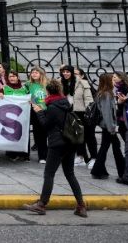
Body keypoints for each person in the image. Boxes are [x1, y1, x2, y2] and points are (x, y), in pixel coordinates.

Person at [24, 79, 87, 217]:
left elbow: (45, 125)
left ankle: (41, 204)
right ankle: (81, 205)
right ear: (59, 91)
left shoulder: (52, 107)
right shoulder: (65, 103)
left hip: (57, 144)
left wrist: (39, 112)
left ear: (48, 91)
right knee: (70, 174)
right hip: (70, 143)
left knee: (49, 174)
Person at [91, 73, 124, 180]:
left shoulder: (103, 93)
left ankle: (99, 170)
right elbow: (107, 113)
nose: (114, 81)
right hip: (108, 126)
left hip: (106, 126)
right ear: (108, 82)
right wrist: (111, 128)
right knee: (114, 148)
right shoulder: (106, 94)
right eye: (112, 79)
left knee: (108, 147)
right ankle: (123, 172)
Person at [63, 65, 95, 166]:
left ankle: (94, 157)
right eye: (64, 72)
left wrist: (89, 113)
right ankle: (81, 156)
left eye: (68, 72)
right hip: (71, 112)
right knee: (77, 136)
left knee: (89, 136)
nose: (65, 74)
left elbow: (89, 99)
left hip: (83, 113)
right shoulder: (62, 83)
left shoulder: (82, 83)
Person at [0, 71, 30, 161]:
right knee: (11, 134)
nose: (12, 78)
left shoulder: (24, 88)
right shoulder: (4, 88)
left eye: (14, 76)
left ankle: (24, 154)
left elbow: (30, 97)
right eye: (10, 76)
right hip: (9, 116)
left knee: (23, 133)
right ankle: (12, 154)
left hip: (22, 116)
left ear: (18, 78)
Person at [26, 68, 49, 163]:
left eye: (36, 72)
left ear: (41, 74)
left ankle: (50, 155)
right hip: (35, 111)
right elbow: (21, 92)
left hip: (47, 111)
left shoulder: (47, 84)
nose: (34, 74)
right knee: (38, 134)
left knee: (47, 134)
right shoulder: (28, 84)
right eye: (32, 72)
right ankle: (42, 156)